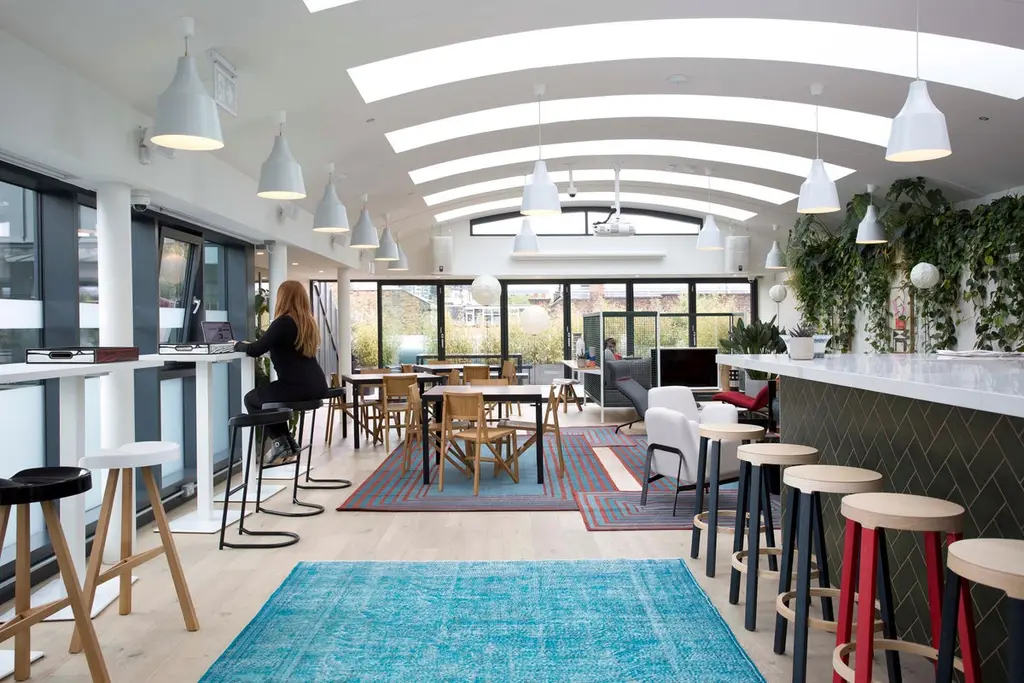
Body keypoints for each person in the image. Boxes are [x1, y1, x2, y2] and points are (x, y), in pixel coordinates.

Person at [234, 280, 328, 466]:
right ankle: (288, 443)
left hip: (296, 387)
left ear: (282, 298)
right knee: (269, 399)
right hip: (316, 385)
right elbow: (286, 349)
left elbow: (255, 349)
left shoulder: (283, 322)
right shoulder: (306, 322)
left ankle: (280, 442)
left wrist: (236, 344)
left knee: (251, 399)